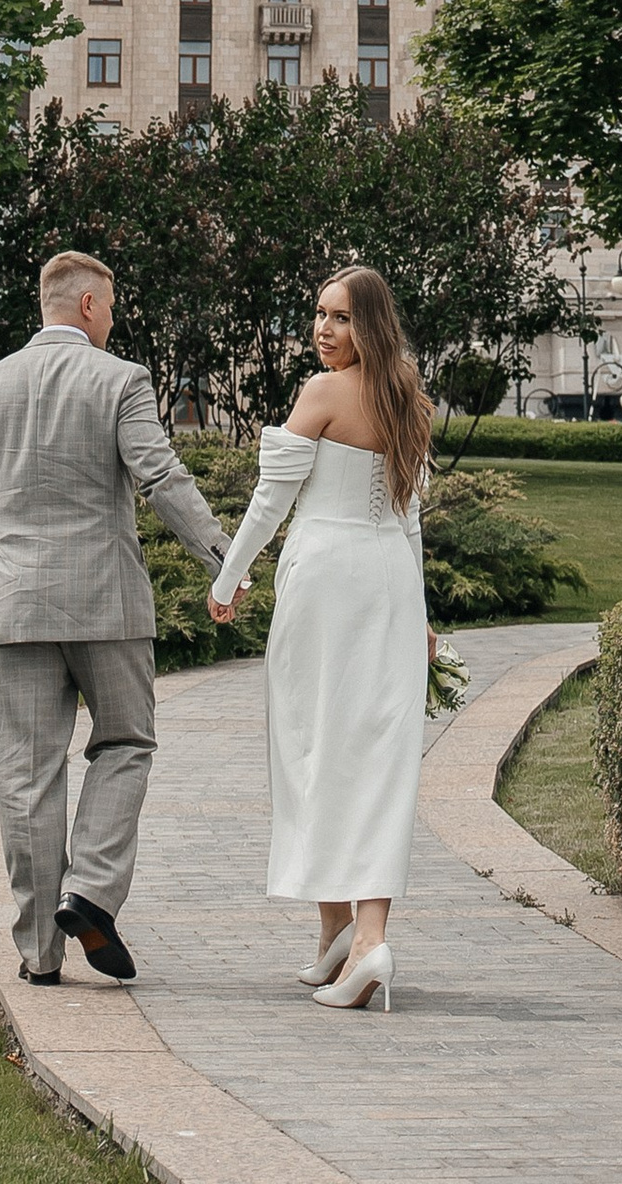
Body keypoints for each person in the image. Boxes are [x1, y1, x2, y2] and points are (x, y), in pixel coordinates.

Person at [0, 247, 227, 989]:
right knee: (125, 741)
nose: (114, 319)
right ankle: (88, 888)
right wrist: (225, 554)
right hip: (108, 606)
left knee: (24, 777)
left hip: (13, 607)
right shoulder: (121, 379)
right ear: (89, 305)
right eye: (113, 307)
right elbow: (160, 475)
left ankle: (38, 954)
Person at [207, 262, 436, 1015]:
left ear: (368, 326)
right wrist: (424, 615)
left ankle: (360, 944)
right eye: (318, 313)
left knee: (316, 746)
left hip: (327, 580)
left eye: (339, 317)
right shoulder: (409, 401)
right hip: (389, 586)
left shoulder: (323, 393)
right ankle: (348, 938)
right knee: (374, 753)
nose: (322, 329)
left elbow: (271, 500)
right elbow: (409, 521)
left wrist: (229, 577)